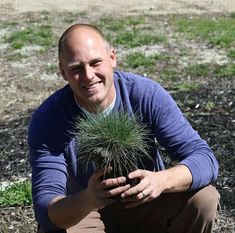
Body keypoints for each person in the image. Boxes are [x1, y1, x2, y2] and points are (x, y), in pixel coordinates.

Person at [28, 23, 220, 233]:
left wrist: (161, 180)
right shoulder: (49, 119)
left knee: (203, 199)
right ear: (63, 71)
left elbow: (204, 159)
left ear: (112, 58)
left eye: (95, 63)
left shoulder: (144, 95)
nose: (88, 75)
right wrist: (88, 199)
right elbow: (46, 207)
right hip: (86, 210)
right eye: (76, 68)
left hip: (143, 200)